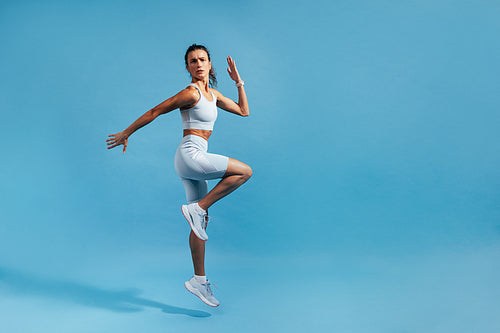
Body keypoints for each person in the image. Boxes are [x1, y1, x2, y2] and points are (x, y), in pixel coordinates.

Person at [106, 44, 252, 307]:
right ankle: (197, 208)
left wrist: (238, 81)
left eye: (202, 59)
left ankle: (198, 279)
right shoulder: (190, 93)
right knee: (244, 172)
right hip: (190, 156)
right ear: (187, 68)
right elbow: (155, 111)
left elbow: (244, 111)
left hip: (194, 160)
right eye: (192, 61)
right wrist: (127, 132)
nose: (197, 64)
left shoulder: (214, 94)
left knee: (200, 224)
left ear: (209, 64)